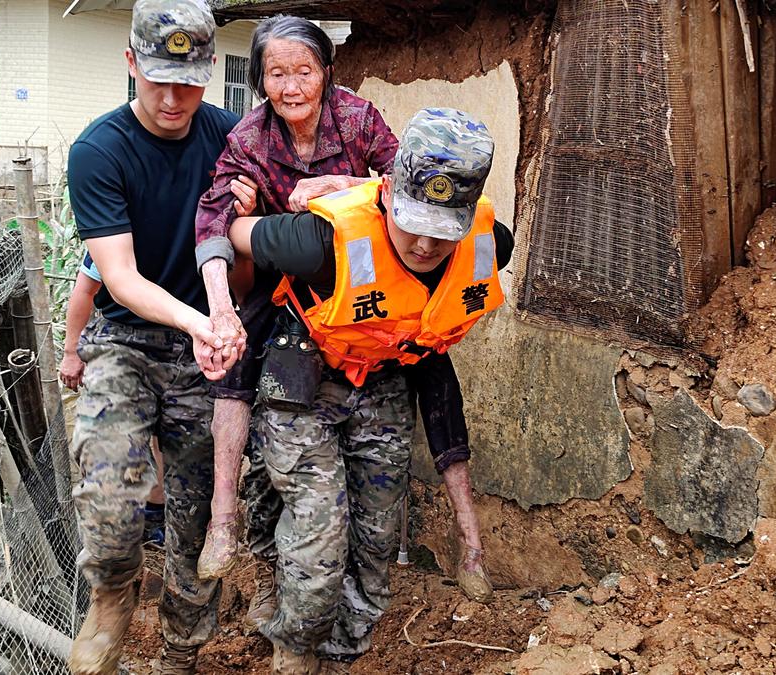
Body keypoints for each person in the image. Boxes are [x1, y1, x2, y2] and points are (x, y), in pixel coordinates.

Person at [228, 108, 512, 674]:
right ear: (388, 199)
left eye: (443, 229)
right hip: (303, 377)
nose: (428, 244)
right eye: (414, 223)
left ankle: (343, 654)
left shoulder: (488, 244)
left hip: (381, 381)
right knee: (318, 541)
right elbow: (236, 233)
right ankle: (293, 649)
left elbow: (436, 356)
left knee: (377, 542)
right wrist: (250, 211)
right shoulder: (317, 241)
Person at [191, 14, 399, 616]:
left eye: (303, 71)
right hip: (284, 286)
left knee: (427, 365)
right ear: (259, 79)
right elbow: (213, 219)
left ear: (326, 73)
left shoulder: (358, 118)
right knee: (232, 364)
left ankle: (460, 543)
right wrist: (221, 308)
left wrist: (341, 184)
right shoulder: (251, 138)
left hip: (362, 279)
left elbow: (405, 182)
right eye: (276, 74)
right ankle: (223, 517)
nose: (291, 87)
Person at [63, 0, 242, 671]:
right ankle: (112, 595)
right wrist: (198, 318)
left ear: (210, 69)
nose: (173, 97)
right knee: (109, 492)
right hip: (126, 343)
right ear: (132, 62)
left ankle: (181, 653)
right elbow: (119, 276)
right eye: (158, 77)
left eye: (189, 80)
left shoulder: (231, 138)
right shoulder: (99, 150)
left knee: (198, 521)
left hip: (210, 354)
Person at [59, 256, 166, 548]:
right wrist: (71, 352)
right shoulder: (112, 233)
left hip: (180, 345)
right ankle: (117, 532)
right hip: (120, 343)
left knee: (165, 438)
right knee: (117, 440)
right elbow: (85, 289)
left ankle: (156, 515)